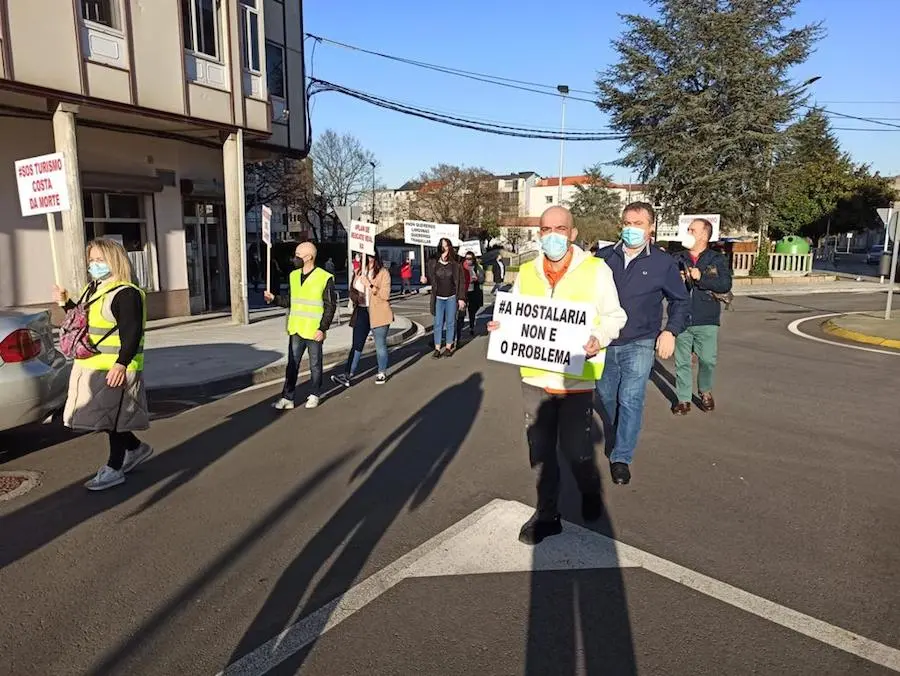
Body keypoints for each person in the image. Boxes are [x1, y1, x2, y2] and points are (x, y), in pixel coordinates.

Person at [488, 206, 628, 545]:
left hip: (575, 379)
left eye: (560, 229)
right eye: (546, 229)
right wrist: (502, 326)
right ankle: (547, 513)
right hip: (535, 378)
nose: (553, 235)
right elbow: (519, 314)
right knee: (540, 452)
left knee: (578, 452)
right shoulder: (528, 271)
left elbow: (615, 316)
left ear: (573, 233)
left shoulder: (596, 270)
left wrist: (600, 337)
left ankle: (589, 487)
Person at [595, 202, 690, 486]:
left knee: (631, 398)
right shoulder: (602, 258)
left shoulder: (663, 263)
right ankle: (618, 430)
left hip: (640, 340)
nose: (631, 229)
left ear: (651, 228)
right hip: (604, 342)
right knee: (608, 396)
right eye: (627, 222)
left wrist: (670, 331)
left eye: (638, 223)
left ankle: (622, 457)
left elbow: (680, 300)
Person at [53, 238, 153, 491]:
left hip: (116, 368)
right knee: (108, 419)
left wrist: (121, 364)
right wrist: (66, 303)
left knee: (113, 420)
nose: (94, 265)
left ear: (114, 260)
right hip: (93, 365)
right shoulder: (95, 288)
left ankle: (114, 467)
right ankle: (135, 448)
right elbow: (83, 319)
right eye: (92, 260)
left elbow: (132, 333)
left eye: (100, 260)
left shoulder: (126, 293)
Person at [670, 218, 733, 415]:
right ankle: (683, 399)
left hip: (707, 317)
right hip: (681, 317)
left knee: (707, 360)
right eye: (687, 229)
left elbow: (725, 284)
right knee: (682, 361)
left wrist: (701, 278)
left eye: (692, 230)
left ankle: (705, 390)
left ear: (704, 235)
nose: (688, 232)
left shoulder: (717, 258)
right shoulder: (676, 258)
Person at [265, 241, 337, 410]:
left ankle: (314, 394)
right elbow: (290, 300)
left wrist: (323, 328)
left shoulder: (324, 277)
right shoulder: (293, 275)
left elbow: (330, 305)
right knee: (292, 364)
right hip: (296, 328)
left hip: (314, 330)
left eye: (298, 255)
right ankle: (287, 397)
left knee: (315, 365)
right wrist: (274, 299)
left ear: (309, 257)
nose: (294, 258)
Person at [332, 252, 393, 387]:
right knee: (357, 344)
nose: (368, 259)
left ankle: (381, 372)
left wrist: (370, 285)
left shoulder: (383, 273)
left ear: (375, 257)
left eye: (370, 256)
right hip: (361, 311)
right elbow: (352, 290)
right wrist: (356, 298)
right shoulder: (359, 271)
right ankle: (348, 375)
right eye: (365, 255)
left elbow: (385, 295)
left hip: (378, 312)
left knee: (380, 345)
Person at [422, 238, 466, 358]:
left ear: (450, 248)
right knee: (438, 323)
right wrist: (425, 280)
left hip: (451, 297)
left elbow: (461, 282)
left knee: (451, 322)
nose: (444, 249)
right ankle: (437, 348)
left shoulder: (456, 264)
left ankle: (448, 347)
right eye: (442, 246)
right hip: (439, 298)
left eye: (446, 246)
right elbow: (431, 278)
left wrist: (461, 298)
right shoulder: (434, 263)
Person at [456, 251, 485, 341]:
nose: (468, 261)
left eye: (470, 259)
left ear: (473, 259)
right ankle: (459, 330)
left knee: (472, 311)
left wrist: (477, 278)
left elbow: (482, 278)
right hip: (463, 292)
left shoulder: (477, 267)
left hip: (473, 291)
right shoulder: (461, 267)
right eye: (466, 258)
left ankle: (471, 327)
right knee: (461, 312)